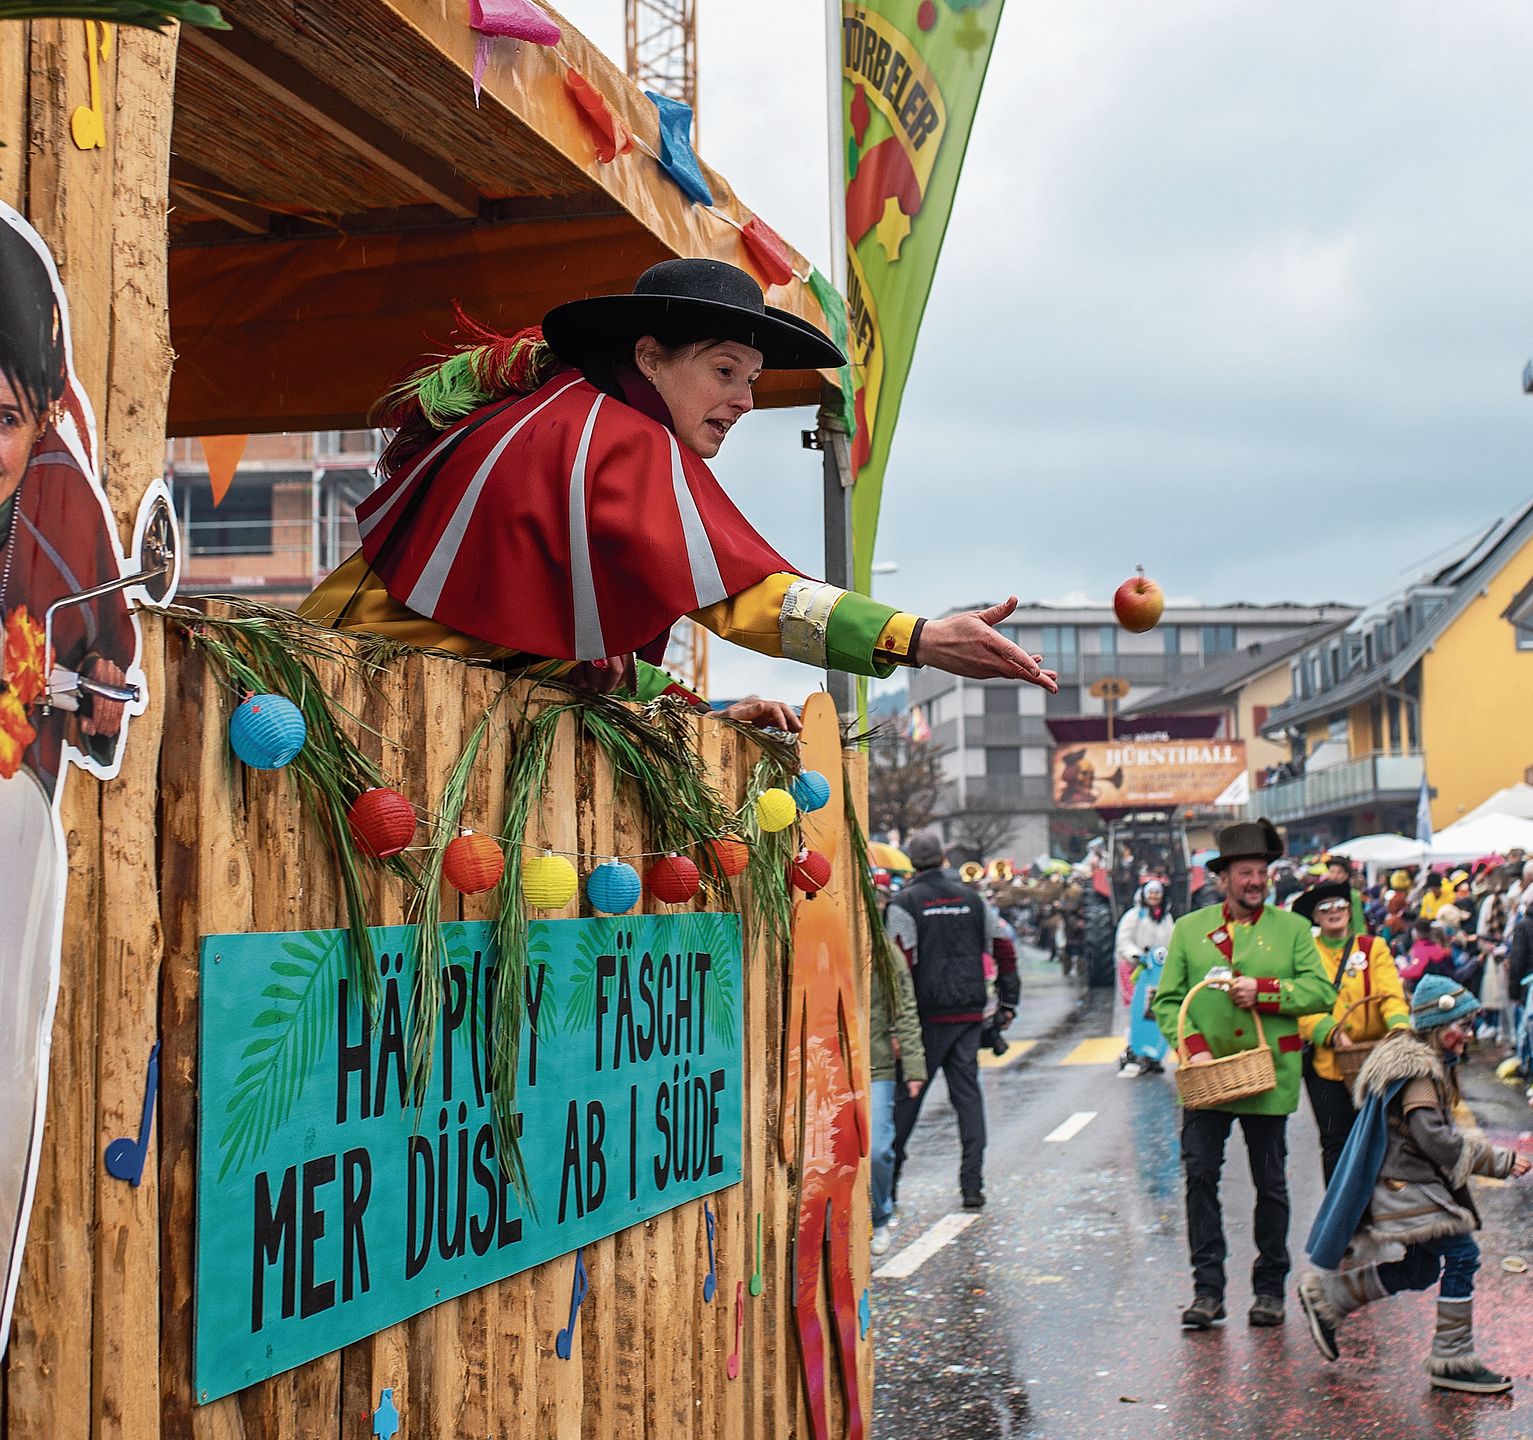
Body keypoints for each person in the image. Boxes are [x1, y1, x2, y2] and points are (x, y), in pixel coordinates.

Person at [301, 259, 1059, 713]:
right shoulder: (616, 439)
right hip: (352, 702)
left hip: (346, 684)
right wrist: (916, 637)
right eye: (724, 371)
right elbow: (747, 596)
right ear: (650, 358)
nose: (743, 401)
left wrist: (710, 710)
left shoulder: (573, 419)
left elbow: (551, 647)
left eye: (752, 380)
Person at [1298, 977, 1532, 1394]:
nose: (1469, 1033)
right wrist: (1501, 1161)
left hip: (1410, 1184)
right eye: (1463, 1024)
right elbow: (1436, 1140)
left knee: (1422, 1268)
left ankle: (1329, 1298)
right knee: (1462, 1255)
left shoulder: (1424, 1064)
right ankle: (1453, 1359)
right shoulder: (1420, 1073)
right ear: (1438, 1025)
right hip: (1407, 1186)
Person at [1152, 819, 1336, 1330]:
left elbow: (1320, 993)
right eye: (1245, 873)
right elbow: (1168, 1001)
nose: (1255, 881)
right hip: (1206, 1080)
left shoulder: (1295, 929)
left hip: (1269, 1073)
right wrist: (1192, 1048)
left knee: (1271, 1185)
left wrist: (1266, 991)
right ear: (1223, 879)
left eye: (1262, 872)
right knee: (1199, 1179)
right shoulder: (1190, 929)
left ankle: (1269, 1289)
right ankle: (1207, 1290)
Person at [887, 831, 1019, 1211]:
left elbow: (899, 964)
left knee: (906, 1104)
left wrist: (897, 1026)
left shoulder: (904, 904)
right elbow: (1004, 948)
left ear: (911, 862)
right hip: (968, 1016)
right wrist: (1009, 1002)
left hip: (925, 1021)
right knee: (968, 1101)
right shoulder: (973, 900)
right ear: (944, 860)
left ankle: (888, 1190)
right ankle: (972, 1186)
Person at [1293, 881, 1409, 1182]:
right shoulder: (1306, 952)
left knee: (1377, 1141)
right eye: (1325, 908)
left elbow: (1390, 994)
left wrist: (1399, 1027)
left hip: (1372, 1062)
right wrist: (1330, 1032)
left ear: (1350, 910)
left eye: (1340, 905)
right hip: (1326, 1068)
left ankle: (1377, 1214)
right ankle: (1339, 1219)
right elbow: (1299, 1004)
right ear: (1315, 917)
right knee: (1335, 1144)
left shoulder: (1373, 948)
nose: (1334, 912)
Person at [868, 877, 926, 1257]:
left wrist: (915, 1065)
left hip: (877, 1065)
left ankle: (880, 1214)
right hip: (833, 1062)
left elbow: (905, 1006)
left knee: (878, 1149)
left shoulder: (887, 953)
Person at [1115, 878, 1173, 1075]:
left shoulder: (1166, 918)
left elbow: (1171, 941)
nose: (1154, 898)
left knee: (1155, 1011)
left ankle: (1153, 1054)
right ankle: (1132, 1050)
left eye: (1158, 894)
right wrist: (1138, 956)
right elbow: (1123, 941)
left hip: (1156, 973)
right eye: (1151, 894)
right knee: (1135, 1009)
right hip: (1135, 970)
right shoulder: (1133, 916)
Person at [1323, 854, 1365, 936]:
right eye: (1332, 871)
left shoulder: (1353, 895)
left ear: (1346, 875)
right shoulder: (1321, 893)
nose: (1335, 875)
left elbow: (1358, 923)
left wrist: (1361, 941)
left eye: (1339, 872)